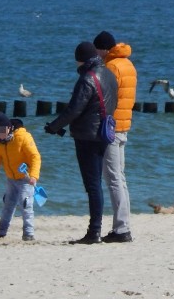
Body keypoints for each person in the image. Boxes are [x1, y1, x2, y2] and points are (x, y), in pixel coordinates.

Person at [45, 41, 118, 244]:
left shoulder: (87, 79)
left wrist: (53, 126)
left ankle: (94, 232)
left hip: (87, 136)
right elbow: (114, 101)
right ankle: (95, 230)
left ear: (81, 59)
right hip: (104, 133)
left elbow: (74, 109)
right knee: (96, 184)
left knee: (92, 185)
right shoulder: (109, 74)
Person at [93, 30, 137, 243]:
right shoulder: (128, 64)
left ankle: (121, 229)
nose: (96, 55)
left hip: (112, 127)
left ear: (103, 49)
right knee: (120, 177)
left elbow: (105, 98)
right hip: (124, 125)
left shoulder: (111, 67)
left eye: (97, 50)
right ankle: (124, 225)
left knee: (113, 179)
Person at [0, 110, 42, 241]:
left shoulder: (23, 137)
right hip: (11, 179)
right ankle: (1, 232)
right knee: (8, 204)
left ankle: (28, 233)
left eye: (2, 132)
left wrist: (34, 175)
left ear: (9, 127)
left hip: (26, 178)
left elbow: (35, 157)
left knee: (25, 204)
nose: (0, 136)